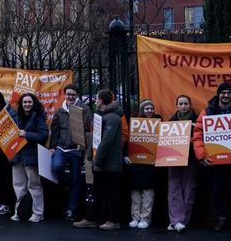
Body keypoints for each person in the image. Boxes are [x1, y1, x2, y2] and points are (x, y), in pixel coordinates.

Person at [193, 81, 231, 232]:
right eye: (223, 92)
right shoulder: (207, 112)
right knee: (218, 191)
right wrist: (202, 156)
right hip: (215, 161)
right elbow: (198, 135)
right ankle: (222, 218)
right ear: (218, 94)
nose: (225, 95)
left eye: (228, 92)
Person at [75, 89, 124, 230]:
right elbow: (96, 138)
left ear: (101, 101)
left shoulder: (113, 118)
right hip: (101, 162)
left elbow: (106, 142)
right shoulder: (102, 116)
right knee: (98, 192)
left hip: (110, 164)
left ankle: (113, 221)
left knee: (112, 193)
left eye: (97, 99)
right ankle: (92, 218)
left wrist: (96, 159)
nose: (96, 101)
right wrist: (91, 155)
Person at [49, 84, 90, 222]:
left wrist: (84, 146)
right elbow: (54, 130)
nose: (71, 97)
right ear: (64, 95)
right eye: (68, 94)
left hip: (76, 149)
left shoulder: (84, 109)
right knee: (56, 167)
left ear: (77, 95)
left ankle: (72, 211)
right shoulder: (60, 111)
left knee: (77, 179)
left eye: (73, 94)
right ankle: (68, 184)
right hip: (61, 147)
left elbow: (88, 128)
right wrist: (53, 146)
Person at [7, 92, 49, 222]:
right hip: (17, 156)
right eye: (25, 102)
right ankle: (19, 212)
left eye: (29, 102)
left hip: (31, 157)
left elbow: (43, 136)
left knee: (34, 185)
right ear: (21, 104)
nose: (27, 104)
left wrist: (26, 134)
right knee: (19, 186)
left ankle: (38, 213)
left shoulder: (38, 118)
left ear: (34, 103)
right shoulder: (16, 117)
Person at [166, 95, 198, 233]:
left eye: (186, 103)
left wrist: (191, 134)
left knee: (188, 188)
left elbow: (200, 138)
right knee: (174, 188)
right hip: (174, 158)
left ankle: (182, 220)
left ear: (190, 105)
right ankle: (175, 220)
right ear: (177, 105)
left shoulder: (197, 120)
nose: (183, 106)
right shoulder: (171, 121)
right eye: (180, 103)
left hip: (191, 158)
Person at [127, 98, 159, 229]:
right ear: (142, 110)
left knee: (148, 193)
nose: (149, 110)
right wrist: (126, 156)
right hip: (136, 163)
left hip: (150, 164)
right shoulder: (134, 123)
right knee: (135, 193)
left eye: (151, 108)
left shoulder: (159, 122)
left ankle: (145, 219)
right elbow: (128, 140)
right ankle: (135, 218)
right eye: (147, 108)